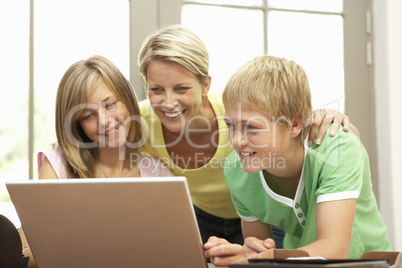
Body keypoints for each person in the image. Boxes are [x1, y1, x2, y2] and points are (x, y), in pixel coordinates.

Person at [137, 24, 359, 247]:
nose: (168, 102)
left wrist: (334, 122)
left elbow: (297, 124)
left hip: (264, 212)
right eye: (156, 90)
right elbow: (105, 131)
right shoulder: (140, 123)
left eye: (181, 88)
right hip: (203, 216)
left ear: (205, 86)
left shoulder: (236, 114)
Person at [204, 55, 391, 267]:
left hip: (366, 262)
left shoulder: (336, 148)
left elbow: (334, 249)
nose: (236, 141)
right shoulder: (236, 170)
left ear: (294, 124)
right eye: (230, 125)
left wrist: (258, 259)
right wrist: (243, 254)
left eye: (251, 127)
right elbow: (260, 250)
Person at [20, 55, 173, 268]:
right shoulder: (57, 163)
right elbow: (31, 253)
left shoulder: (157, 173)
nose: (104, 121)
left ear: (127, 100)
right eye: (88, 116)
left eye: (110, 105)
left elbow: (171, 251)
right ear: (77, 125)